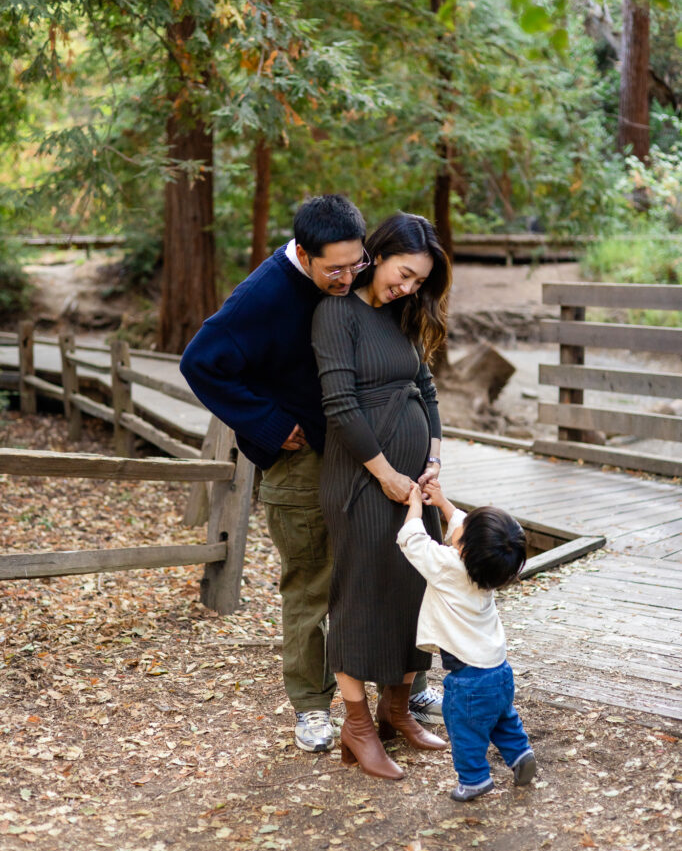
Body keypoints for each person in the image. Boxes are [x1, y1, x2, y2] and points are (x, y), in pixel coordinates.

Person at [180, 195, 440, 755]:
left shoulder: (359, 278)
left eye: (357, 263)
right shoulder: (264, 295)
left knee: (383, 567)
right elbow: (199, 363)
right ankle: (313, 704)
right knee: (312, 584)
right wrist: (269, 424)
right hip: (301, 460)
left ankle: (401, 684)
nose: (348, 277)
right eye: (335, 270)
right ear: (304, 253)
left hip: (355, 454)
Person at [311, 211, 452, 781]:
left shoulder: (400, 316)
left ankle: (397, 710)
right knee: (361, 592)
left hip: (414, 480)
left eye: (419, 281)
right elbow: (340, 404)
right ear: (381, 252)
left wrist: (434, 458)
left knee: (415, 587)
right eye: (405, 273)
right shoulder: (335, 313)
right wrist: (386, 473)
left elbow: (425, 387)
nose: (409, 287)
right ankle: (358, 726)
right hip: (362, 479)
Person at [397, 477, 537, 801]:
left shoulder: (449, 566)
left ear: (464, 548)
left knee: (465, 728)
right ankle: (520, 754)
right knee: (502, 717)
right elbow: (465, 528)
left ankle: (474, 780)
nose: (460, 522)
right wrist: (443, 503)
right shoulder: (488, 570)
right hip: (499, 670)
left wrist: (416, 505)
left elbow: (412, 541)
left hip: (468, 678)